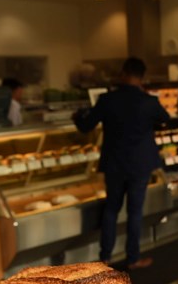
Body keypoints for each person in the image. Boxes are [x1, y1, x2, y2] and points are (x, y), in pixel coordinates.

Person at [72, 57, 170, 269]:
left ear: (123, 73)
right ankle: (132, 258)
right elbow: (166, 118)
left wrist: (77, 116)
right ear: (142, 77)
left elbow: (86, 126)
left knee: (111, 209)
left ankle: (104, 258)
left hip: (115, 163)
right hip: (140, 164)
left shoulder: (108, 100)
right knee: (135, 212)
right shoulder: (148, 101)